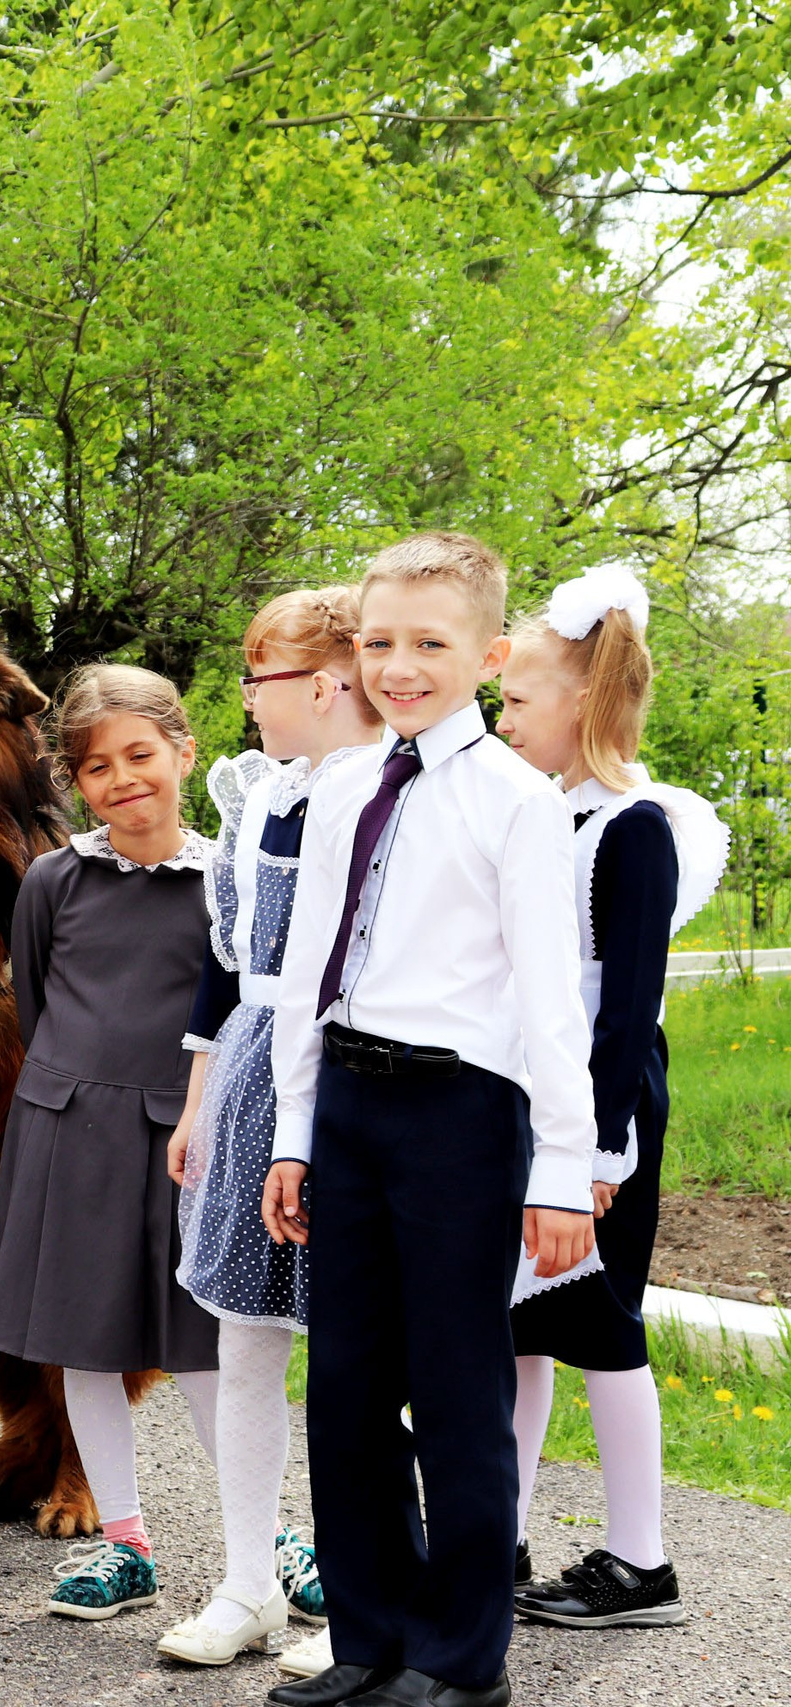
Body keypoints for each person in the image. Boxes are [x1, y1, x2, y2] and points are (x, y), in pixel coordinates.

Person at [264, 532, 599, 1707]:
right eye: (378, 641)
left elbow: (552, 996)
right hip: (349, 1106)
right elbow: (311, 968)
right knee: (346, 1389)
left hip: (460, 1116)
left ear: (487, 652)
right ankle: (370, 1641)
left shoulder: (517, 802)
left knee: (457, 1394)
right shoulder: (343, 782)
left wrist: (564, 1168)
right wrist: (293, 1133)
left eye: (428, 644)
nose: (398, 667)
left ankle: (462, 1660)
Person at [494, 567, 725, 1631]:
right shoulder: (552, 815)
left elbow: (627, 1003)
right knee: (520, 1326)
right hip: (538, 1099)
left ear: (580, 702)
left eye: (515, 702)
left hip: (602, 1105)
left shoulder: (632, 827)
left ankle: (642, 1562)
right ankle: (500, 1527)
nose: (502, 721)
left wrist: (596, 1155)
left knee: (601, 1323)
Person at [156, 591, 382, 1671]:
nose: (246, 703)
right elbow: (223, 962)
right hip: (251, 1069)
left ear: (326, 685)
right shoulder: (256, 799)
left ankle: (364, 1595)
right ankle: (249, 1583)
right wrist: (197, 1103)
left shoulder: (386, 793)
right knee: (240, 1339)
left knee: (352, 1351)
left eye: (261, 681)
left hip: (349, 1070)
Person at [0, 665, 221, 1621]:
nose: (121, 780)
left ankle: (270, 1541)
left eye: (140, 756)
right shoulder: (54, 879)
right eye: (95, 767)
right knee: (84, 1349)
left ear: (183, 751)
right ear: (76, 782)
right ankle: (125, 1544)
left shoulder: (226, 881)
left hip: (181, 1145)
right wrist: (78, 1100)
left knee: (203, 1349)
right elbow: (38, 1006)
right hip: (69, 1136)